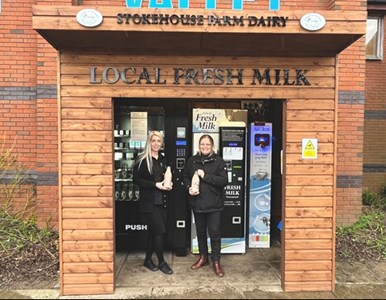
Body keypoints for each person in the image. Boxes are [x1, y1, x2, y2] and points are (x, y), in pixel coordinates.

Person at [183, 134, 228, 277]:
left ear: (212, 146)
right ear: (199, 145)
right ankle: (203, 257)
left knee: (214, 233)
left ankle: (216, 261)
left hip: (214, 205)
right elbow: (184, 176)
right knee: (201, 232)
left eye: (208, 144)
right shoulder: (192, 161)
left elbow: (223, 181)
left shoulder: (219, 161)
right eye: (202, 144)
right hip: (197, 204)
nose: (205, 147)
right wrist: (188, 187)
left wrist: (205, 176)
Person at [133, 130, 173, 275]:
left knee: (153, 233)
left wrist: (169, 183)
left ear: (161, 143)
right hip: (149, 203)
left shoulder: (163, 159)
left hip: (162, 202)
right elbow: (136, 180)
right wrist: (154, 185)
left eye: (158, 141)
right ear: (149, 142)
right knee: (160, 232)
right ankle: (161, 262)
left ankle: (148, 260)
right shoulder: (142, 159)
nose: (156, 144)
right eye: (153, 141)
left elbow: (166, 176)